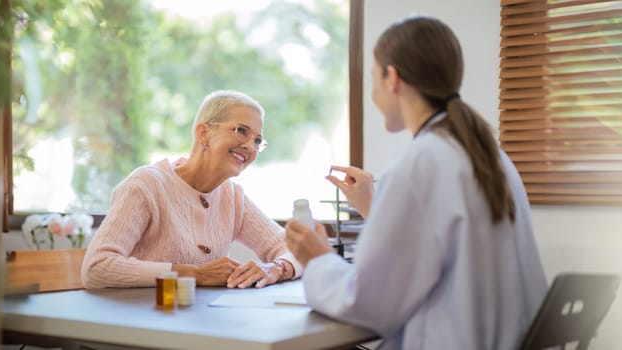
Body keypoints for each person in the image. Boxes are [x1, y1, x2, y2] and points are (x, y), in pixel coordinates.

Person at [284, 16, 547, 349]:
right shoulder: (488, 156)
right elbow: (447, 248)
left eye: (373, 80)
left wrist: (318, 259)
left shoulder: (420, 162)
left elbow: (369, 304)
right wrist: (375, 206)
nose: (374, 94)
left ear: (392, 78)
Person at [82, 90, 302, 289]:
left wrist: (276, 268)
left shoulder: (232, 197)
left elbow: (296, 251)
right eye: (241, 131)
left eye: (257, 140)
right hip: (142, 322)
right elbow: (97, 267)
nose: (249, 146)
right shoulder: (146, 185)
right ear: (203, 133)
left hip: (199, 323)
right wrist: (193, 274)